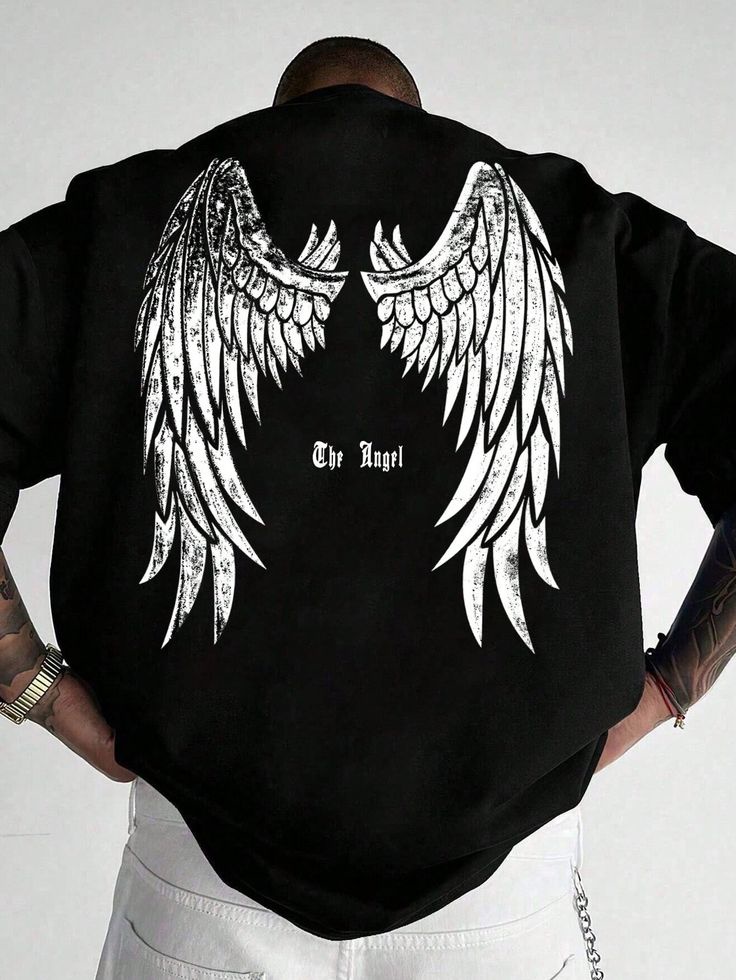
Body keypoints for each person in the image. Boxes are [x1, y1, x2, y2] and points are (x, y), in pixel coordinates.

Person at [1, 34, 734, 980]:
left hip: (198, 888)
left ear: (278, 116)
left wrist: (35, 686)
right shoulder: (584, 233)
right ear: (417, 115)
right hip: (505, 900)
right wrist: (671, 684)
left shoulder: (131, 220)